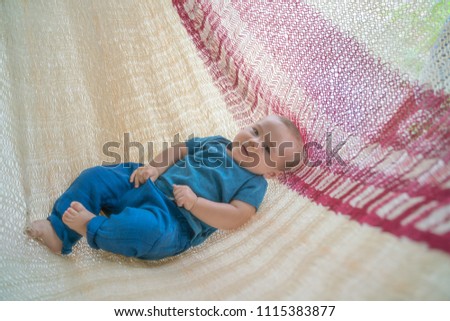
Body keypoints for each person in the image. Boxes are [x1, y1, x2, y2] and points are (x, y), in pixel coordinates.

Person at [26, 115, 303, 260]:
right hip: (148, 184)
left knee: (146, 233)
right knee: (97, 177)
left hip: (174, 222)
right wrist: (155, 168)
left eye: (266, 149)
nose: (254, 142)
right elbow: (179, 150)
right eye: (255, 131)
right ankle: (59, 232)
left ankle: (92, 227)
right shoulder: (217, 142)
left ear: (273, 172)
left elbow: (236, 216)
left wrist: (196, 204)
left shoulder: (253, 183)